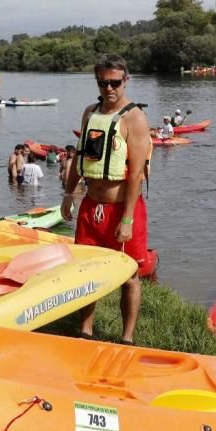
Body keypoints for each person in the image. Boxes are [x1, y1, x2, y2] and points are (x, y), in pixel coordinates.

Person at [62, 53, 150, 345]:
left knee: (128, 277)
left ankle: (127, 338)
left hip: (121, 209)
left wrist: (127, 219)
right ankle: (85, 332)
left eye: (114, 82)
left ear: (126, 80)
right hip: (91, 206)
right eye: (103, 83)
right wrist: (68, 194)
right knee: (85, 272)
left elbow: (136, 173)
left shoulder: (135, 118)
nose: (109, 89)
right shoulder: (90, 113)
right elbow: (79, 159)